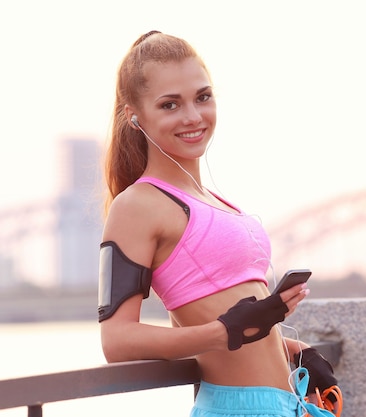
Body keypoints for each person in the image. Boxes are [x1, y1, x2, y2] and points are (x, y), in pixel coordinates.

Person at [98, 30, 339, 417]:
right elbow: (117, 340)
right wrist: (226, 331)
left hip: (286, 405)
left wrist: (294, 351)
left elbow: (212, 314)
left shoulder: (217, 202)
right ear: (134, 116)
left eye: (203, 97)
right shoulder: (136, 205)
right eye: (170, 105)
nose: (193, 116)